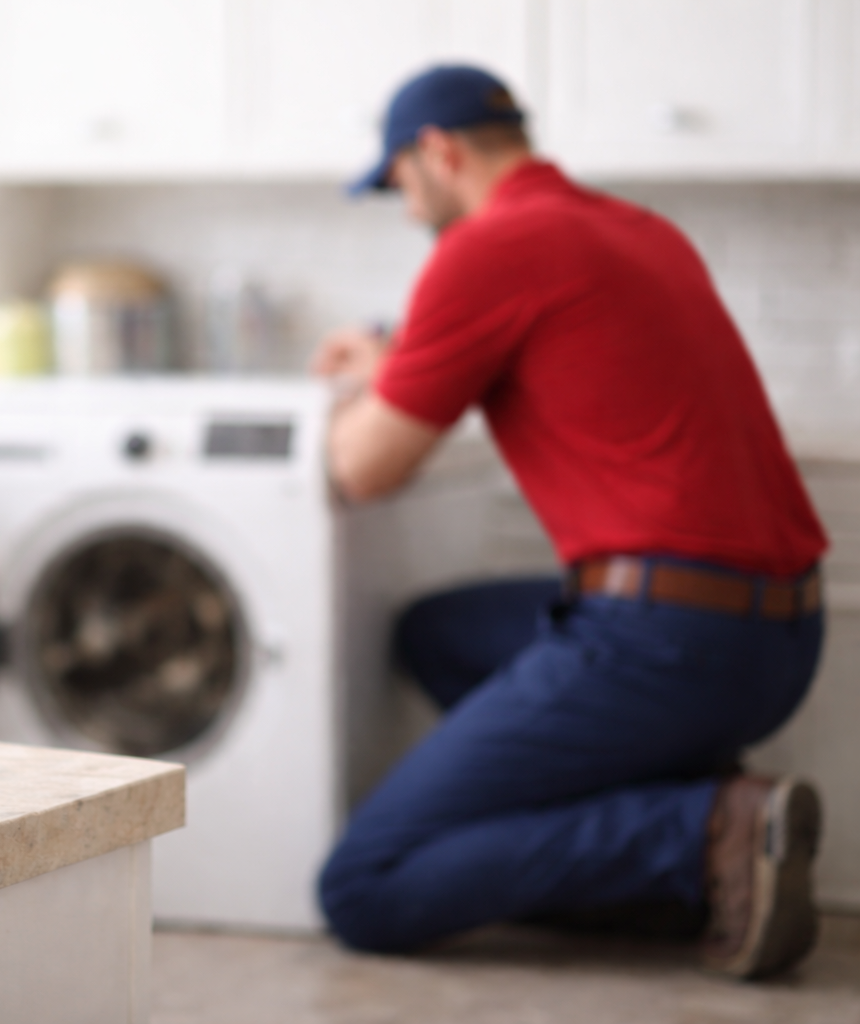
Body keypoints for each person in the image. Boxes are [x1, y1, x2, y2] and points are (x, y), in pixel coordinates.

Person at [311, 65, 828, 980]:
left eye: (398, 184)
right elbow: (536, 341)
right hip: (777, 638)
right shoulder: (635, 229)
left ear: (438, 152)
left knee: (365, 887)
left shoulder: (484, 249)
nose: (405, 210)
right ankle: (690, 855)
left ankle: (702, 830)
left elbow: (361, 469)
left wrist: (359, 392)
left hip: (664, 642)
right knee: (435, 634)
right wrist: (401, 359)